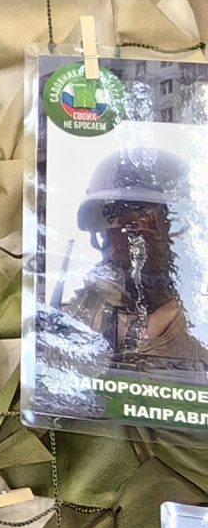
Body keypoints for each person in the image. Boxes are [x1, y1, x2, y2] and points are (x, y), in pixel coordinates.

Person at [61, 146, 208, 369]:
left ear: (176, 229)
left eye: (138, 225)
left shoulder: (199, 321)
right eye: (111, 223)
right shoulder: (77, 316)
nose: (121, 238)